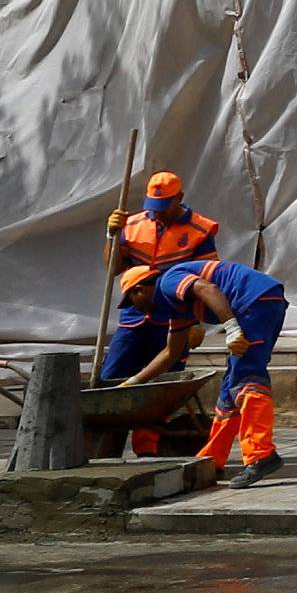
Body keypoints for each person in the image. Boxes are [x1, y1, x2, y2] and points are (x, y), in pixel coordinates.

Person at [122, 256, 289, 489]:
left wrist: (231, 327)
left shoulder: (168, 281)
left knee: (247, 378)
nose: (134, 308)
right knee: (230, 387)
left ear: (139, 290)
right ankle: (213, 458)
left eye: (130, 301)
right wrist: (133, 382)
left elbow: (206, 287)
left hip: (253, 301)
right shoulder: (175, 306)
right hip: (260, 300)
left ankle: (261, 455)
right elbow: (171, 352)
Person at [96, 171, 220, 451]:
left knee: (162, 389)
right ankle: (107, 445)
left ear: (180, 198)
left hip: (175, 317)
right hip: (134, 315)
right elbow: (113, 269)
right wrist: (111, 235)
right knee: (112, 378)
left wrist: (199, 323)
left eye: (165, 207)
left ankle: (148, 449)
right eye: (154, 207)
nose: (159, 214)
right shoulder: (132, 225)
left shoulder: (199, 231)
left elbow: (207, 279)